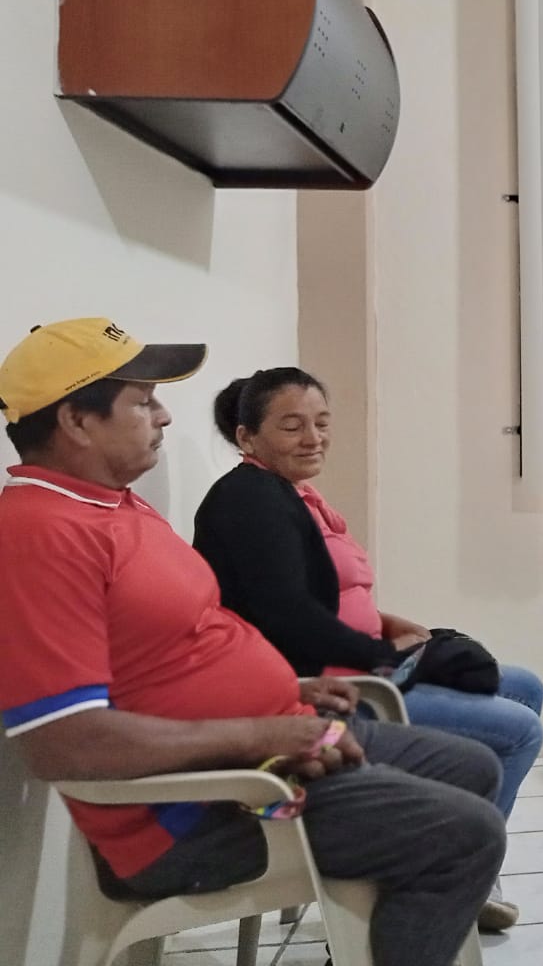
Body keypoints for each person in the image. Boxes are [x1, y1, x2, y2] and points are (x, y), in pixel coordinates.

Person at [0, 318, 504, 966]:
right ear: (76, 421)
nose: (165, 417)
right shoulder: (40, 534)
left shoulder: (114, 505)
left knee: (473, 766)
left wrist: (289, 691)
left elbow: (168, 655)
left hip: (261, 749)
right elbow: (63, 743)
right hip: (203, 809)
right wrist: (262, 735)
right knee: (464, 834)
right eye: (144, 401)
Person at [191, 367, 543, 932]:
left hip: (359, 663)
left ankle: (471, 861)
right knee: (518, 729)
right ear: (247, 437)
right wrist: (384, 656)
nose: (313, 438)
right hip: (337, 686)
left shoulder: (289, 493)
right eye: (292, 427)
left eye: (322, 423)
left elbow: (325, 594)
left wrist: (386, 626)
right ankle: (460, 868)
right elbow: (289, 617)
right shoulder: (250, 500)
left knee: (524, 685)